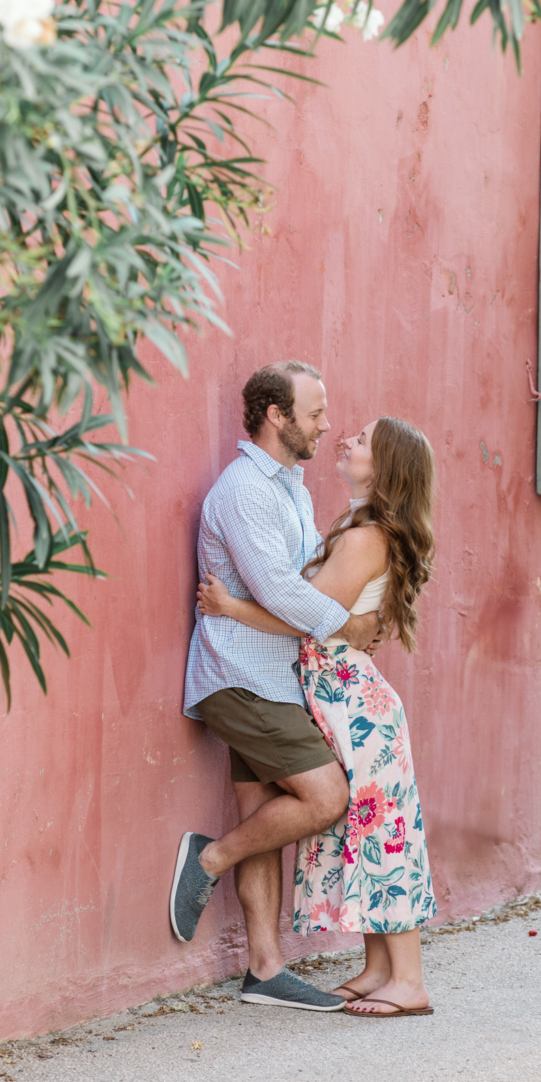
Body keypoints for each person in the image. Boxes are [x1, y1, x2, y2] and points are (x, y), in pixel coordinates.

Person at [197, 415, 437, 1019]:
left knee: (383, 835)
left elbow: (312, 616)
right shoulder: (355, 528)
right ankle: (379, 968)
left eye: (362, 440)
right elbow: (330, 614)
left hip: (355, 703)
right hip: (339, 698)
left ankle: (408, 981)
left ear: (383, 469)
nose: (347, 440)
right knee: (361, 829)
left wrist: (233, 607)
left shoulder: (364, 538)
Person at [171, 361, 382, 1011]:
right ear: (276, 416)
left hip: (276, 675)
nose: (325, 424)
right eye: (314, 412)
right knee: (324, 797)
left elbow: (306, 572)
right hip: (239, 676)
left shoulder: (287, 485)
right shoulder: (244, 491)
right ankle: (207, 860)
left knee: (262, 809)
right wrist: (342, 626)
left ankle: (263, 969)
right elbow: (279, 588)